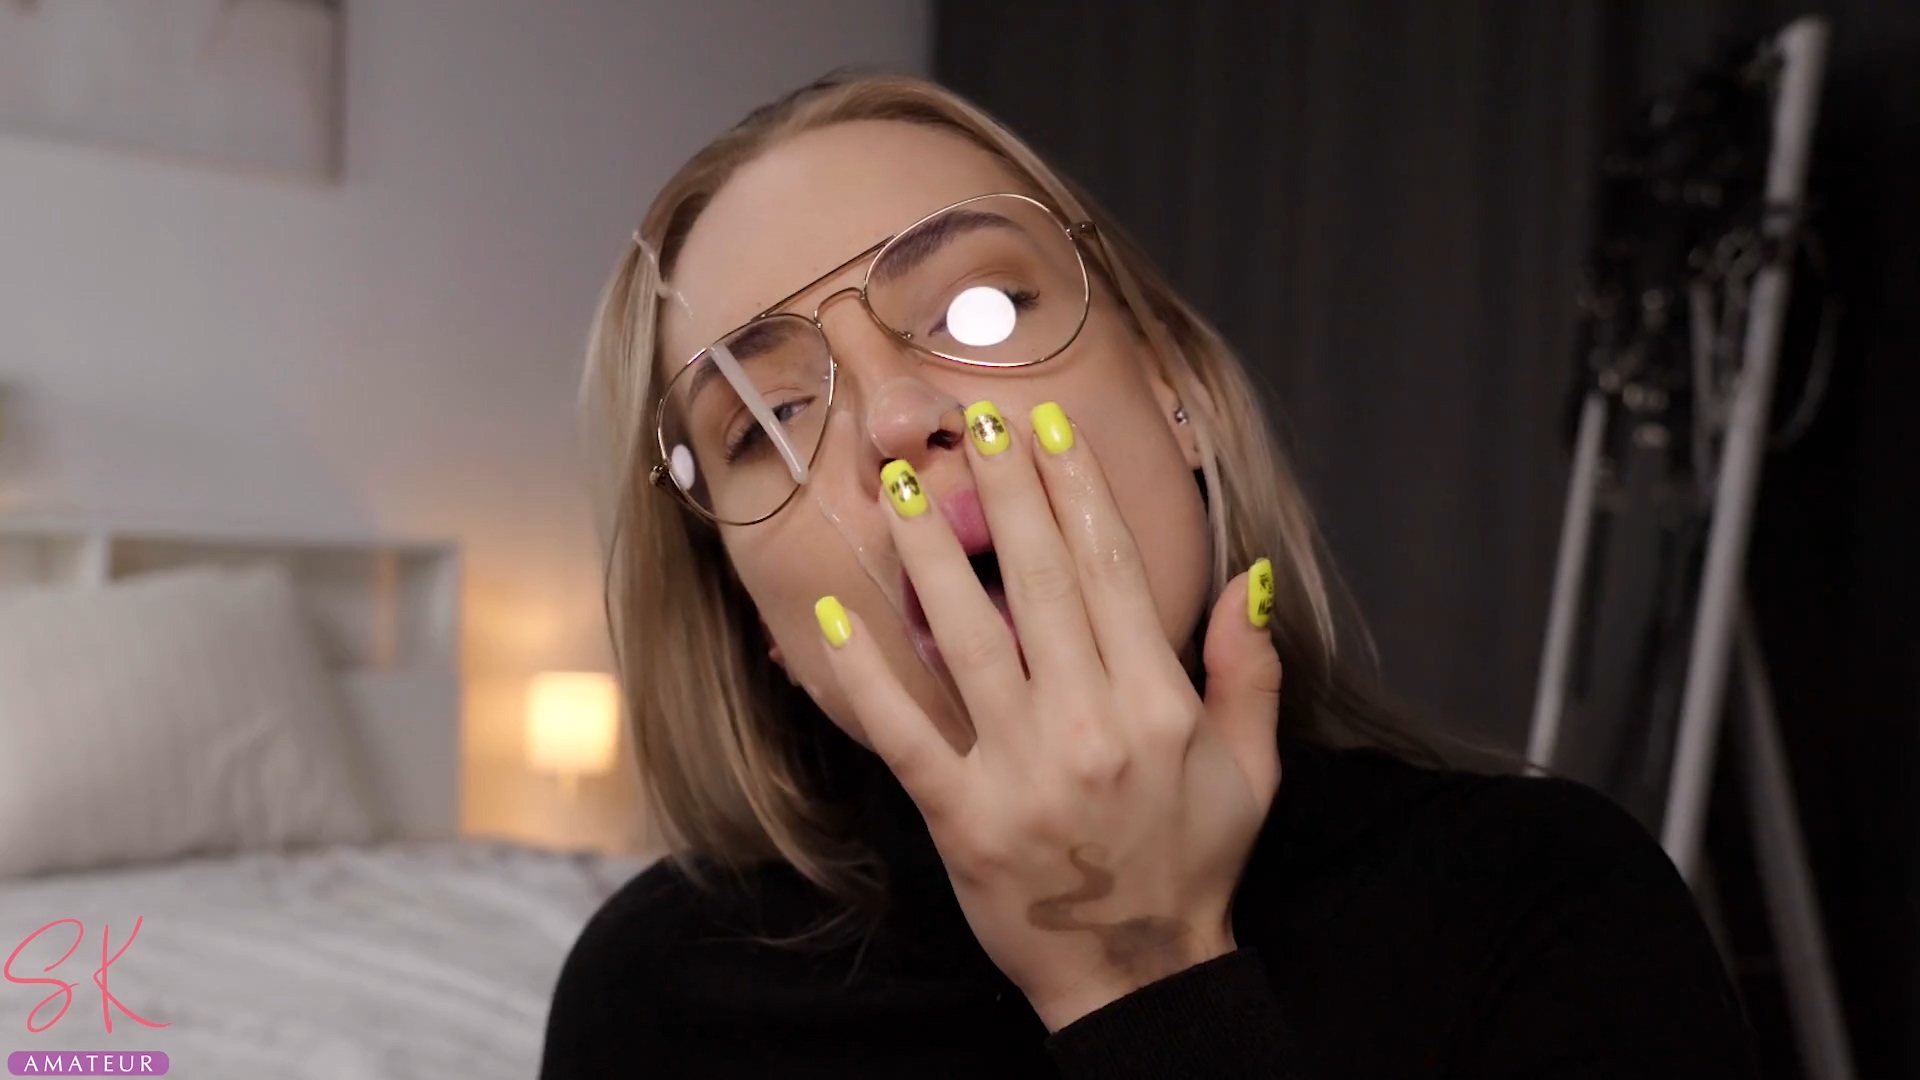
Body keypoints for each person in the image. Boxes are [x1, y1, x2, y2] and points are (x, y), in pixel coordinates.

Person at [539, 71, 1759, 1078]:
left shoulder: (1540, 898)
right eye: (772, 421)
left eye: (980, 308)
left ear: (1179, 392)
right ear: (752, 613)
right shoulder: (653, 997)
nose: (900, 419)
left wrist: (1138, 978)